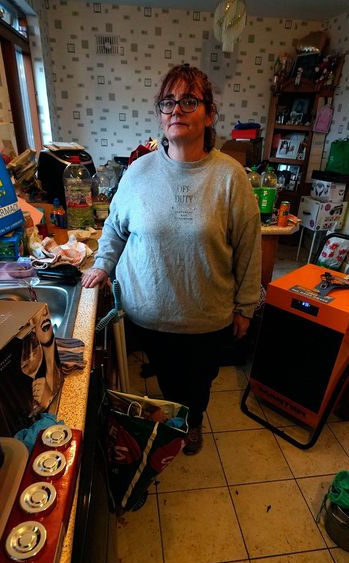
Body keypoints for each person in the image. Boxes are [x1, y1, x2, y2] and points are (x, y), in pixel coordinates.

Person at [82, 64, 261, 456]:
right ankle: (174, 417)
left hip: (206, 315)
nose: (176, 110)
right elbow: (114, 228)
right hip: (149, 310)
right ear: (161, 114)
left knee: (198, 383)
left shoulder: (231, 177)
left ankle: (192, 422)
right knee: (166, 377)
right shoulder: (138, 171)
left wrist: (246, 306)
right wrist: (101, 265)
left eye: (188, 101)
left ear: (209, 114)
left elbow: (249, 247)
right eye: (168, 102)